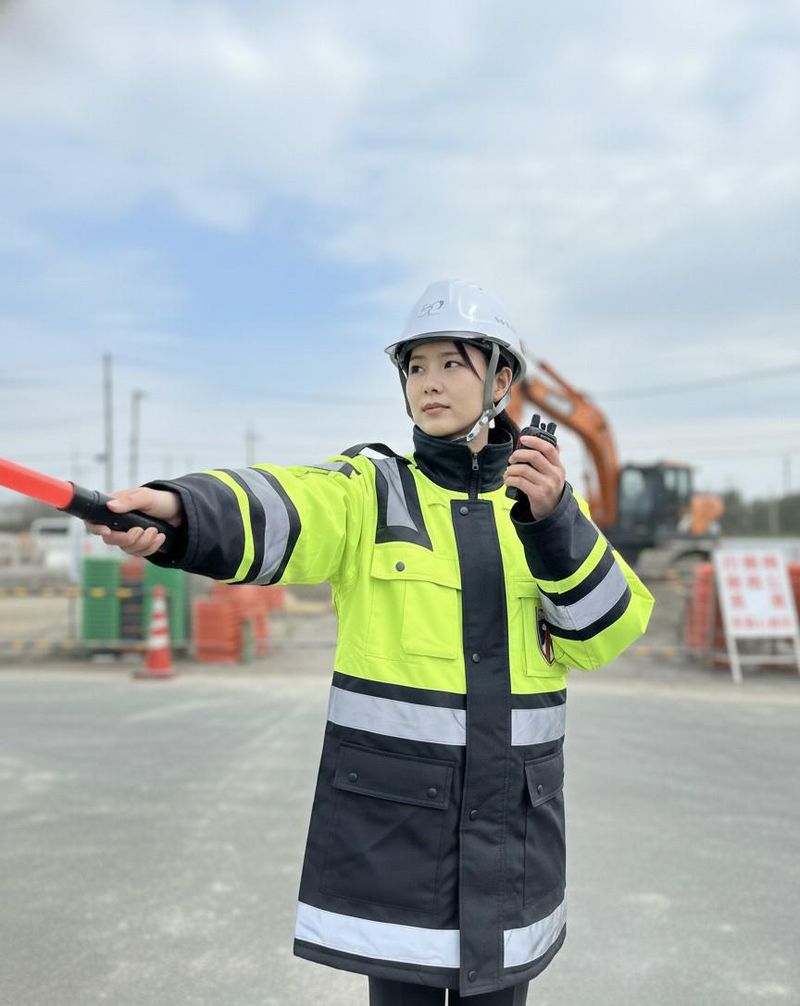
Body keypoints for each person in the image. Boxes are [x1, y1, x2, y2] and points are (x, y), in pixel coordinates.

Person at [87, 279, 654, 1004]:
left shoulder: (544, 511)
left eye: (451, 364)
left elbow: (605, 634)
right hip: (401, 833)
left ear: (501, 381)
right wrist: (184, 512)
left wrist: (554, 524)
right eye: (415, 367)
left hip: (512, 834)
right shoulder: (372, 489)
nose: (429, 383)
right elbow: (288, 504)